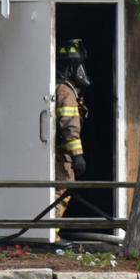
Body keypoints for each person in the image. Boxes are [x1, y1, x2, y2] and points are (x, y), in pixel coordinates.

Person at [54, 39, 90, 218]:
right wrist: (78, 156)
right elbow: (69, 127)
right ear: (70, 67)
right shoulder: (66, 92)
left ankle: (51, 233)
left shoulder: (57, 88)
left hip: (57, 155)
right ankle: (51, 233)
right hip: (62, 156)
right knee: (61, 191)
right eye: (79, 65)